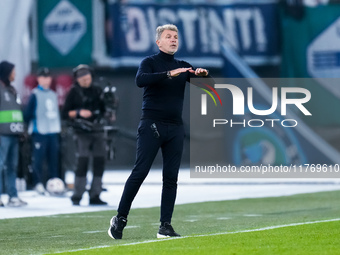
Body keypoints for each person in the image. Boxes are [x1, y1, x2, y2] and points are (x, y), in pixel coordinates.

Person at [108, 24, 211, 239]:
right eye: (168, 36)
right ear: (159, 42)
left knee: (171, 178)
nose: (173, 40)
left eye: (175, 37)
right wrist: (167, 74)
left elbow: (208, 87)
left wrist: (203, 76)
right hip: (152, 125)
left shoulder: (183, 66)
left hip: (175, 127)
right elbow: (140, 80)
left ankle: (165, 226)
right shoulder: (150, 62)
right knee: (140, 172)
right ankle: (120, 218)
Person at [62, 64, 107, 206]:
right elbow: (64, 113)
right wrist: (78, 112)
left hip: (97, 130)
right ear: (77, 80)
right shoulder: (73, 92)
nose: (86, 81)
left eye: (87, 78)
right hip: (81, 131)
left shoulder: (98, 90)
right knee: (82, 161)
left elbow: (105, 110)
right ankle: (77, 194)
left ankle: (95, 194)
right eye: (82, 79)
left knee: (100, 160)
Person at [23, 68, 61, 195]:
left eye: (48, 77)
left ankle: (54, 183)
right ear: (38, 79)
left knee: (53, 160)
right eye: (43, 77)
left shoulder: (53, 94)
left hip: (53, 131)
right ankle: (37, 183)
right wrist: (26, 129)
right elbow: (27, 114)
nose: (46, 80)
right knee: (38, 159)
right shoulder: (34, 94)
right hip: (39, 131)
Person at [0, 60, 27, 207]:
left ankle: (13, 196)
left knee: (12, 166)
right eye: (12, 71)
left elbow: (17, 111)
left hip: (14, 133)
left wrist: (22, 129)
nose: (15, 74)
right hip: (2, 133)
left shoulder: (12, 90)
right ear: (6, 72)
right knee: (0, 164)